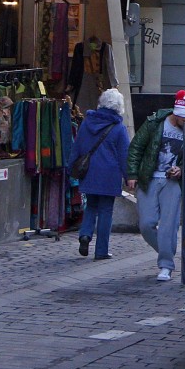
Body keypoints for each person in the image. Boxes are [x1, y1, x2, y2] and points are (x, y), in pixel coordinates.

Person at [127, 90, 185, 281]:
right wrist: (132, 174)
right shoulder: (155, 123)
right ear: (176, 113)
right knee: (146, 224)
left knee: (168, 226)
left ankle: (165, 265)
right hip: (149, 178)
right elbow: (136, 147)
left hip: (172, 183)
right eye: (184, 119)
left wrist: (180, 169)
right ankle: (167, 251)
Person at [71, 88, 131, 260]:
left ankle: (85, 234)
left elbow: (77, 147)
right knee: (105, 211)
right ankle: (101, 250)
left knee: (90, 206)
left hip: (89, 172)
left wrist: (71, 168)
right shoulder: (119, 128)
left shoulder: (87, 123)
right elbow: (124, 154)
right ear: (119, 107)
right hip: (109, 175)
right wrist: (129, 177)